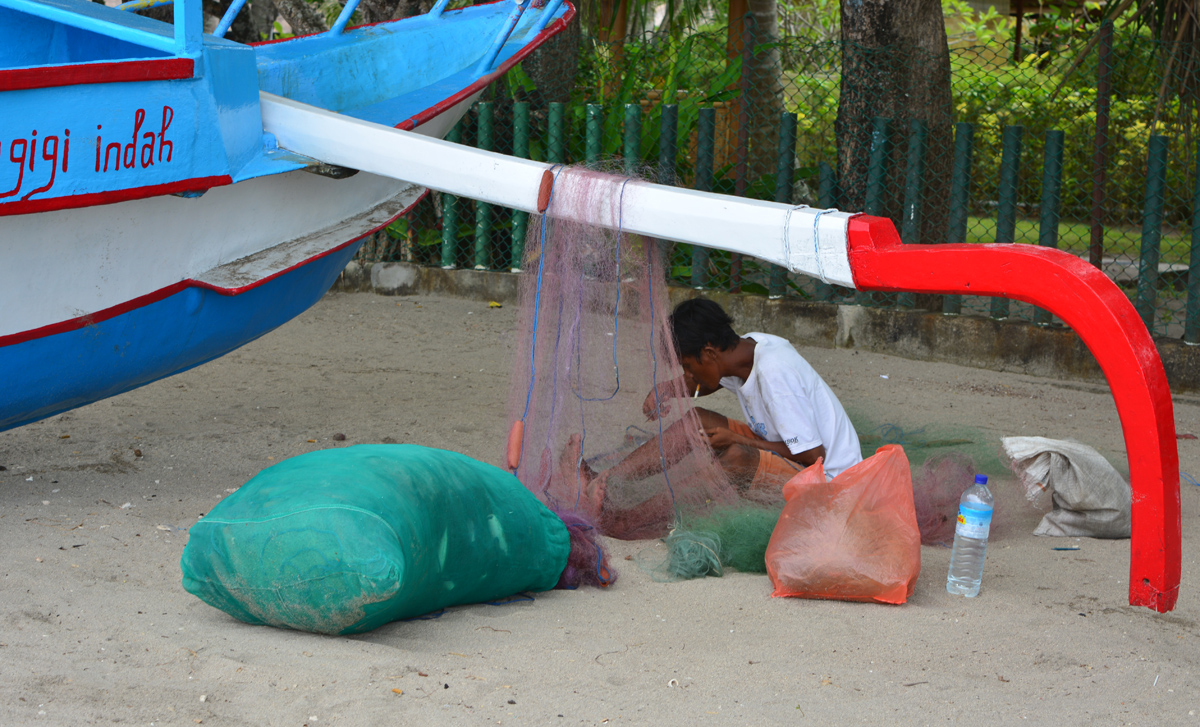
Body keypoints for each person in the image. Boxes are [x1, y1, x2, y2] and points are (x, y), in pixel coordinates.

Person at [574, 297, 862, 535]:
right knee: (696, 420)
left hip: (831, 486)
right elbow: (711, 380)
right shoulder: (746, 349)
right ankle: (605, 480)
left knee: (737, 456)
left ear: (709, 352)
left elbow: (813, 456)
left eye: (687, 366)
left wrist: (737, 438)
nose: (687, 375)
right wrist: (670, 388)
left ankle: (626, 522)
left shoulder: (775, 374)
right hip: (792, 452)